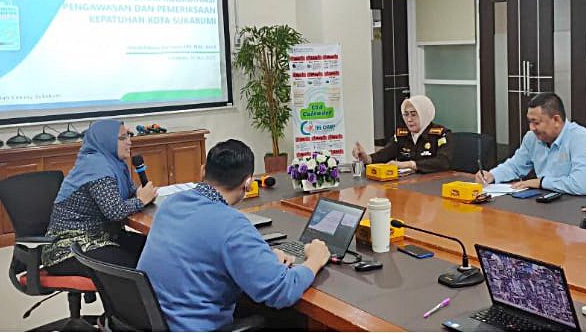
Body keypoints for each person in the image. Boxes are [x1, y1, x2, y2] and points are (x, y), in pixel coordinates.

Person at [138, 139, 331, 332]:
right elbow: (282, 291)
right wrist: (315, 259)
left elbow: (203, 252)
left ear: (203, 171)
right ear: (248, 183)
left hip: (154, 324)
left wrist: (265, 259)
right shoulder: (232, 225)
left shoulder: (171, 204)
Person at [42, 119, 158, 277]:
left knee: (156, 249)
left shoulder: (115, 164)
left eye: (129, 135)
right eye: (122, 138)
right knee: (136, 267)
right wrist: (141, 200)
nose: (129, 142)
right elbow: (115, 211)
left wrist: (142, 196)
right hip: (70, 248)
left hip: (103, 237)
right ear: (106, 141)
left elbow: (130, 193)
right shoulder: (96, 167)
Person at [475, 92, 586, 195]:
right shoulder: (532, 138)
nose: (531, 128)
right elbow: (515, 166)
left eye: (536, 123)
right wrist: (492, 175)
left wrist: (540, 182)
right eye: (529, 122)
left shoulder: (580, 138)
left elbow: (581, 185)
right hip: (547, 199)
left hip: (582, 204)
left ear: (556, 120)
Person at [352, 95, 453, 173]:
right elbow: (385, 154)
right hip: (406, 183)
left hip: (433, 184)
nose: (409, 119)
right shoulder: (402, 134)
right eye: (406, 114)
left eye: (413, 114)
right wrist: (366, 158)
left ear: (424, 114)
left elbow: (443, 162)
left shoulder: (441, 134)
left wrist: (409, 164)